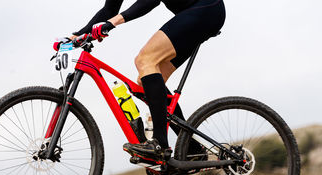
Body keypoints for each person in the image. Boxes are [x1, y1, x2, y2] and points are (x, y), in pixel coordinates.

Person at [70, 0, 226, 161]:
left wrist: (113, 23)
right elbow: (109, 9)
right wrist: (76, 36)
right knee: (147, 80)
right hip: (197, 15)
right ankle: (193, 148)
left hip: (206, 8)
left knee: (145, 60)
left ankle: (159, 143)